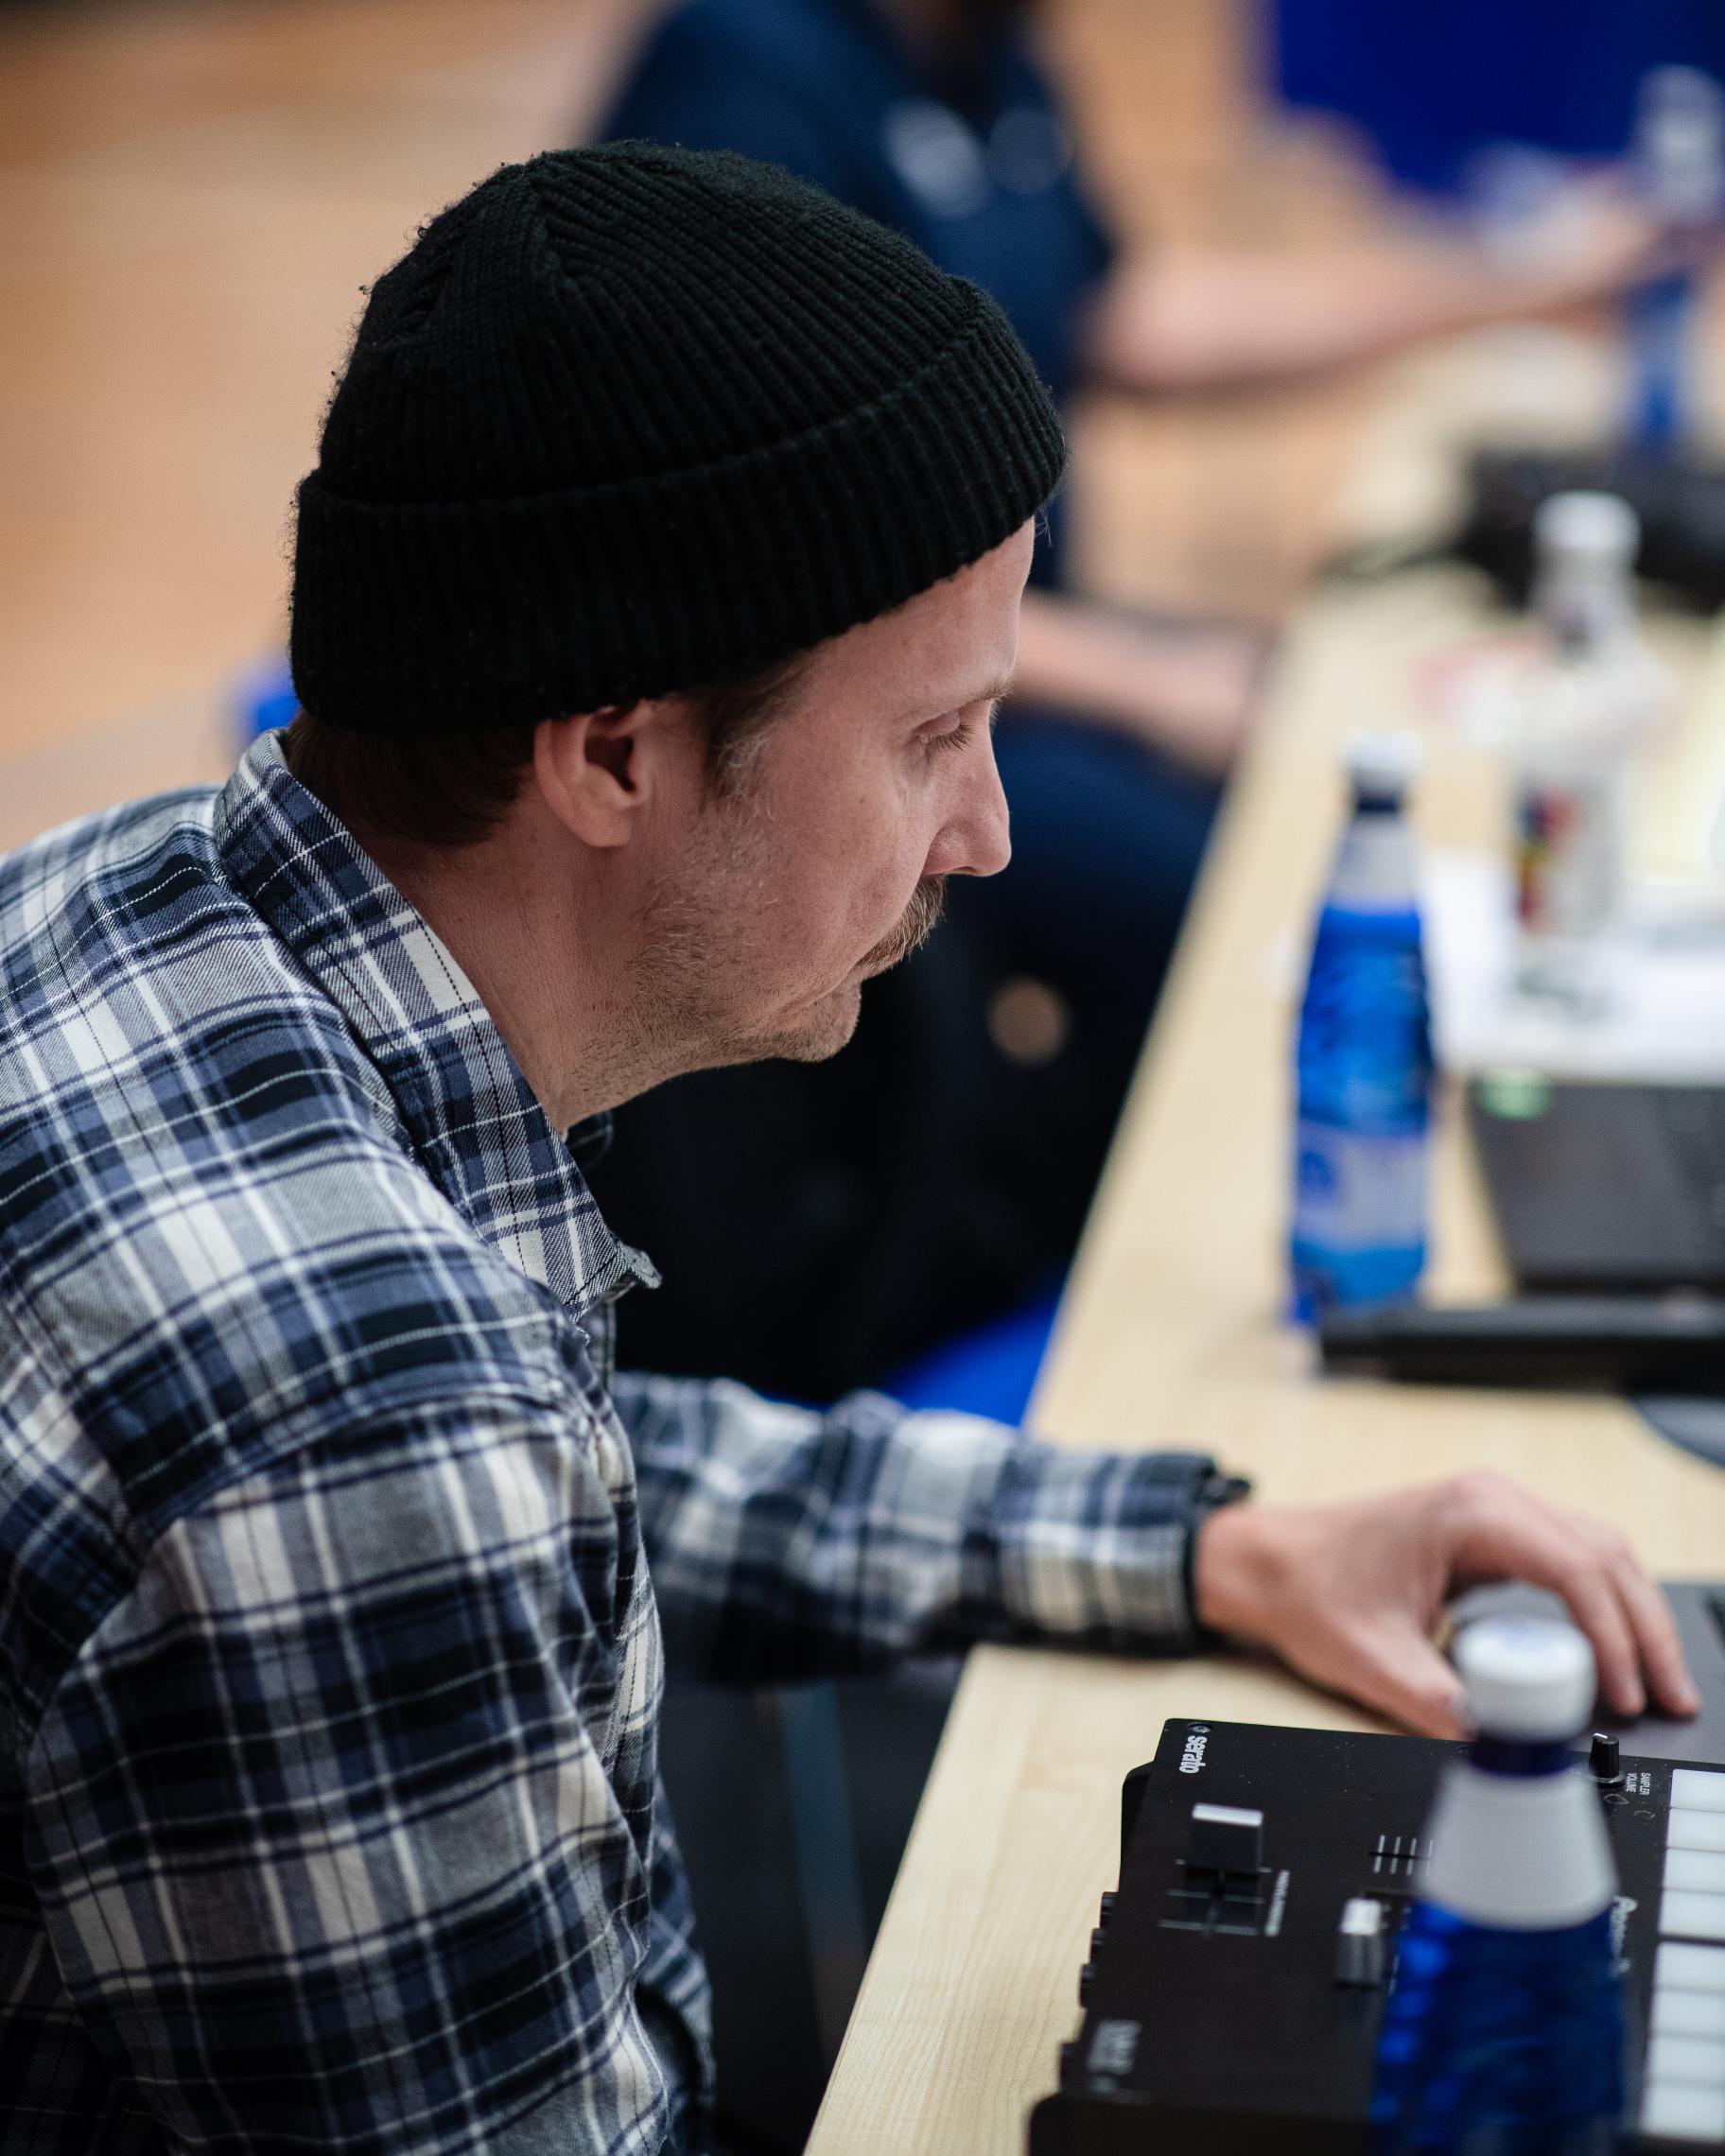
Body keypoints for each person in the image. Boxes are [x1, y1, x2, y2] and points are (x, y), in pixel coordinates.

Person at [0, 147, 1695, 2156]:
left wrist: (1210, 1548)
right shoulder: (369, 1421)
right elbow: (414, 1475)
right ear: (614, 751)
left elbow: (576, 1463)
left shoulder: (124, 895)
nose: (987, 830)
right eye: (929, 740)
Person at [588, 0, 1681, 1400]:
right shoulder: (743, 81)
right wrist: (1151, 684)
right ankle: (1080, 1297)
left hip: (998, 659)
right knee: (1229, 878)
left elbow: (1118, 314)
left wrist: (1508, 285)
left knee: (1310, 735)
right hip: (873, 700)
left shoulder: (993, 58)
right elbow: (759, 559)